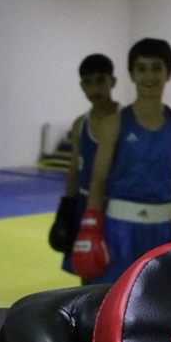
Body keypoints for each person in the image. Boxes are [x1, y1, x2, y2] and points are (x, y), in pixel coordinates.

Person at [70, 38, 171, 285]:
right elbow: (98, 179)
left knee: (156, 299)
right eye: (141, 68)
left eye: (156, 68)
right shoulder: (115, 122)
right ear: (131, 74)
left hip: (163, 227)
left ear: (169, 74)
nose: (149, 76)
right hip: (118, 229)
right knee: (111, 298)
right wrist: (91, 225)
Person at [49, 53, 120, 279]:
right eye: (88, 83)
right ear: (81, 86)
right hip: (84, 205)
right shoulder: (81, 124)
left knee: (116, 272)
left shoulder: (126, 120)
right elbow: (74, 170)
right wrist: (65, 211)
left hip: (116, 208)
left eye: (100, 81)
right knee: (86, 270)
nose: (95, 89)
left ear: (113, 82)